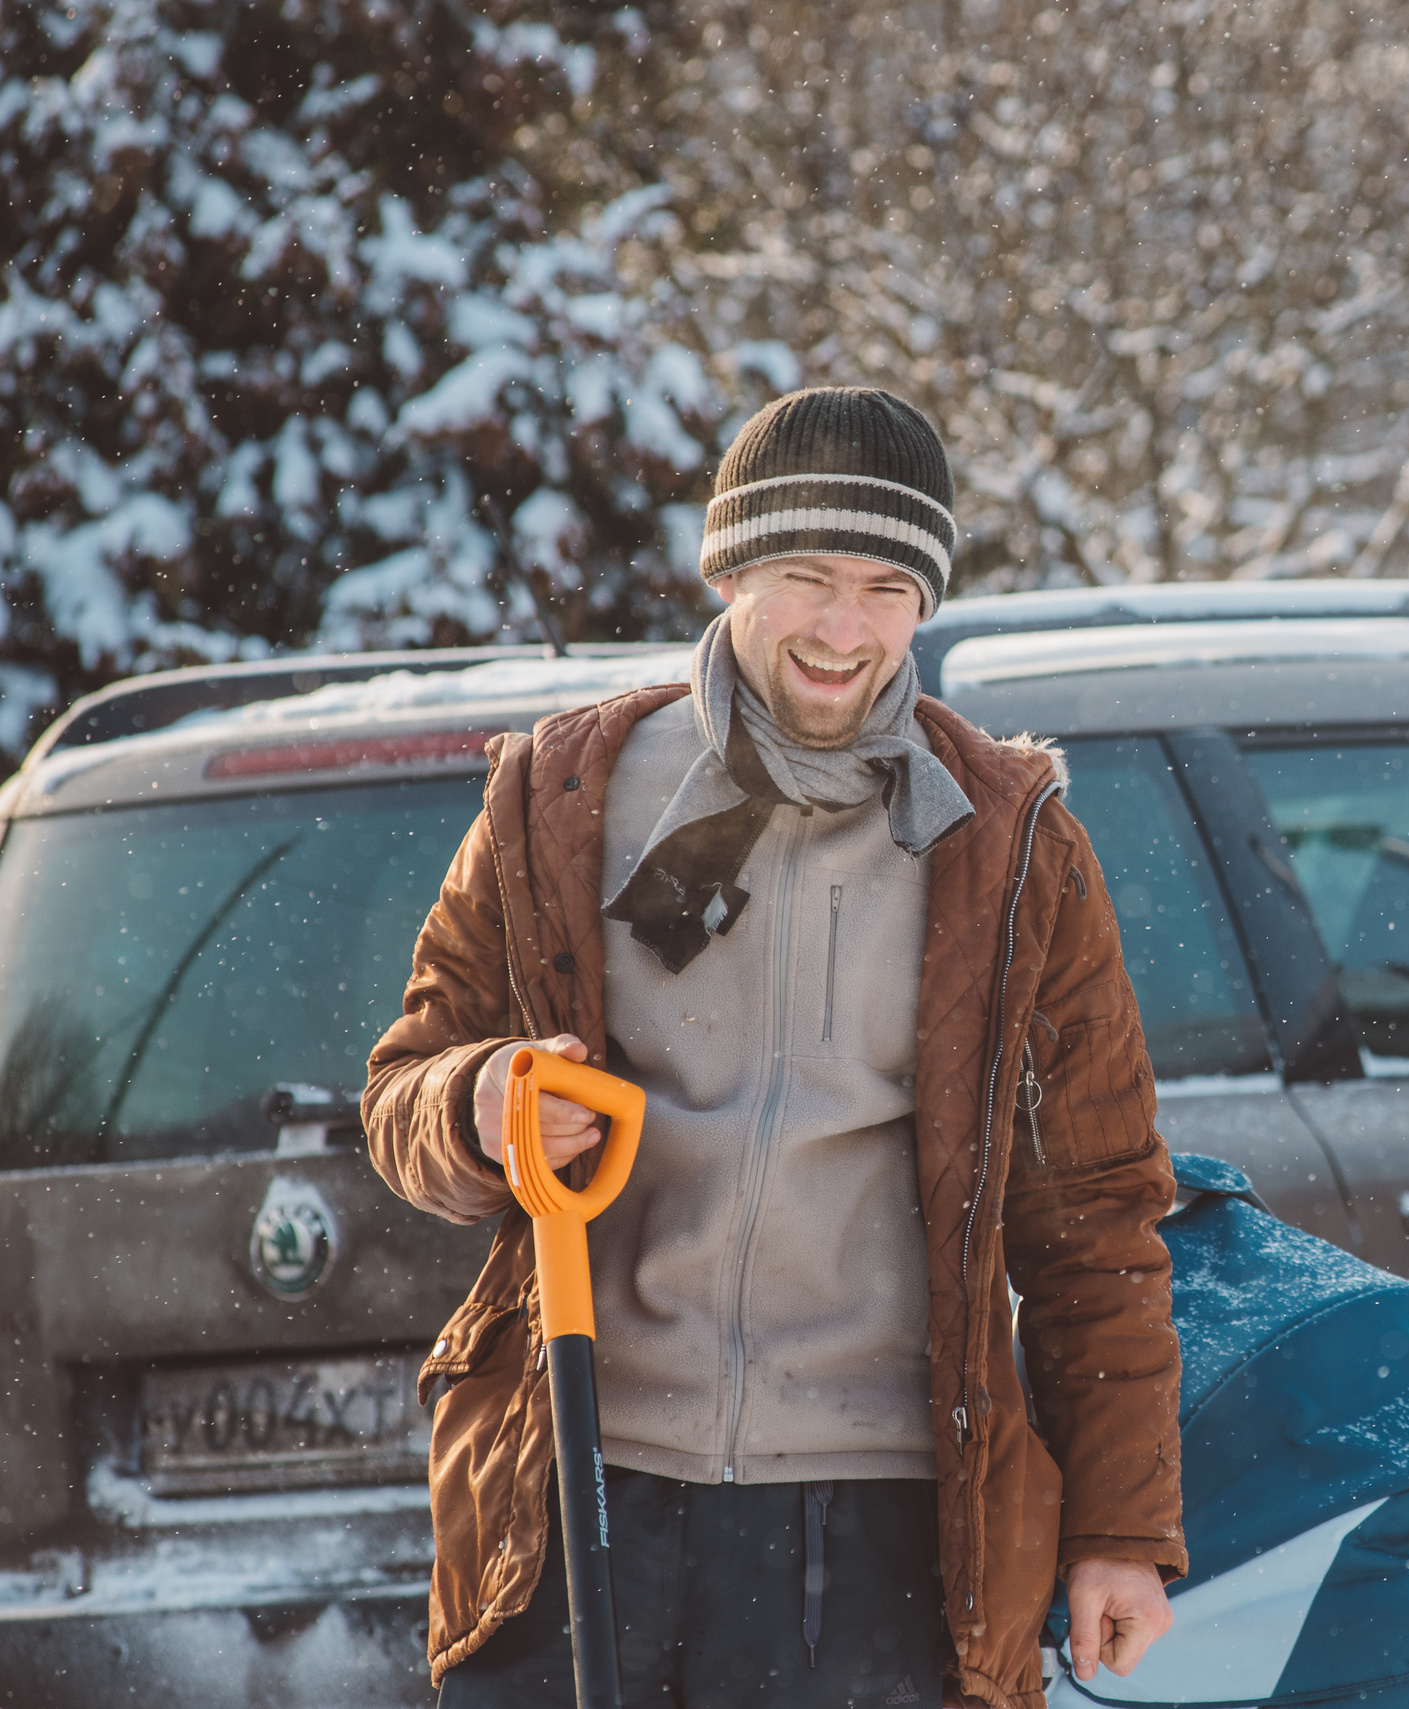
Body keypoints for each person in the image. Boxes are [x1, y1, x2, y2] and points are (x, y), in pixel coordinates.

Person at [365, 387, 1183, 1709]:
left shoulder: (1012, 847)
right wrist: (479, 1102)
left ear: (923, 603)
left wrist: (1119, 1530)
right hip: (580, 1480)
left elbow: (1094, 1212)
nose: (842, 629)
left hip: (871, 1528)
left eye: (884, 586)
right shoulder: (565, 798)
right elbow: (402, 1088)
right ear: (730, 571)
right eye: (807, 576)